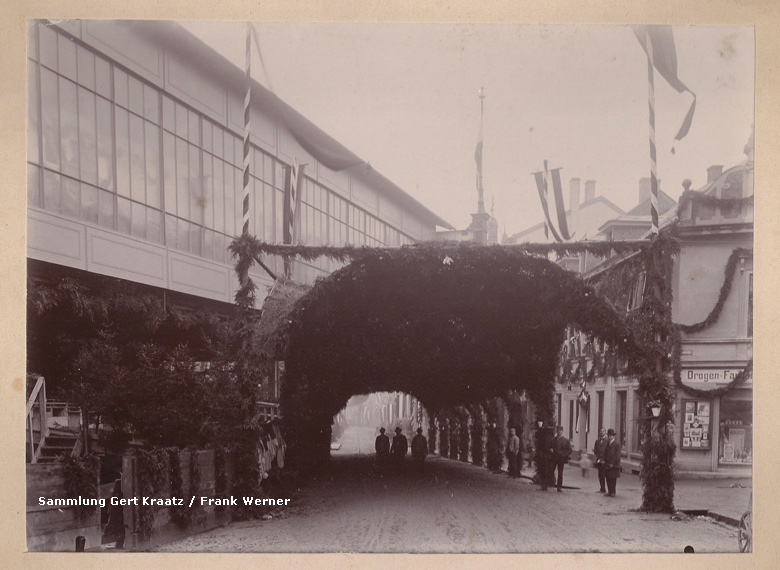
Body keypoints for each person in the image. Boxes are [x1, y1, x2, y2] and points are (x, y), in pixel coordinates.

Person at [550, 425, 572, 492]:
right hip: (554, 457)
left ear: (562, 431)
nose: (559, 432)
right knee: (550, 471)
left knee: (560, 473)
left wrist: (564, 455)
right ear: (556, 431)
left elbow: (569, 450)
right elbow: (549, 446)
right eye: (558, 431)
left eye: (560, 431)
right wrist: (551, 450)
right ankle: (546, 485)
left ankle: (559, 487)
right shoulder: (553, 440)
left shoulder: (566, 441)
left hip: (561, 458)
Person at [604, 428, 622, 497]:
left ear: (613, 436)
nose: (609, 437)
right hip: (607, 464)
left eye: (611, 436)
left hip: (614, 465)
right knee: (608, 477)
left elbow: (617, 455)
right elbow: (605, 453)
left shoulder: (617, 444)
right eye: (608, 436)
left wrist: (612, 463)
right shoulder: (607, 444)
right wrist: (604, 461)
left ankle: (613, 492)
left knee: (613, 478)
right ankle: (609, 491)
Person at [593, 427, 608, 493]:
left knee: (605, 475)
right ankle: (602, 488)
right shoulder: (597, 441)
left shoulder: (607, 441)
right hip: (599, 460)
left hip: (605, 460)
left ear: (605, 432)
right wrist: (597, 454)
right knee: (600, 475)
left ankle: (608, 488)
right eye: (601, 431)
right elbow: (595, 449)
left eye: (603, 431)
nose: (602, 432)